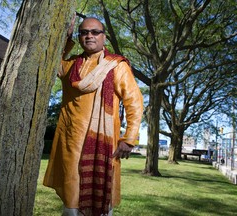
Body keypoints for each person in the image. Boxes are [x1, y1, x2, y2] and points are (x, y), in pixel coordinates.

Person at [43, 15, 143, 216]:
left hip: (102, 143)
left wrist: (130, 139)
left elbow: (134, 102)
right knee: (71, 200)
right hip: (71, 142)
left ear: (104, 37)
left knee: (101, 198)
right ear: (79, 37)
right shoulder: (70, 65)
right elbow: (52, 61)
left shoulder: (116, 66)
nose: (89, 36)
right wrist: (66, 37)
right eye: (84, 32)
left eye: (95, 32)